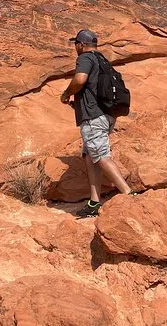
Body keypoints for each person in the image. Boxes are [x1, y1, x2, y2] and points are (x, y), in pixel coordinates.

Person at [60, 29, 134, 218]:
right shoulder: (101, 60)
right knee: (89, 156)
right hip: (105, 115)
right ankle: (94, 202)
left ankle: (129, 194)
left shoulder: (85, 58)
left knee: (100, 155)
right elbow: (94, 90)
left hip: (94, 117)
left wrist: (66, 93)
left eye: (76, 44)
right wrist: (78, 104)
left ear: (81, 45)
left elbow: (80, 79)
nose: (75, 47)